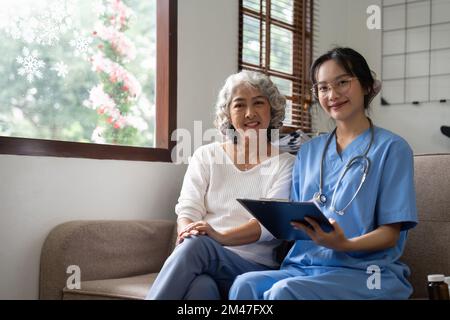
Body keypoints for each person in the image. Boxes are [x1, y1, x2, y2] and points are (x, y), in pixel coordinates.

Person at [229, 47, 418, 300]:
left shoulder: (392, 149)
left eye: (342, 82)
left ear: (366, 85)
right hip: (305, 267)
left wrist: (345, 245)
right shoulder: (308, 152)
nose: (332, 94)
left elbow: (390, 233)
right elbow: (297, 220)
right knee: (244, 285)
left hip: (365, 273)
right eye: (323, 87)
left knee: (284, 293)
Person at [145, 70, 295, 300]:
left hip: (253, 267)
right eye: (239, 105)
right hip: (205, 259)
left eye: (258, 103)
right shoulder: (206, 156)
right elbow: (188, 210)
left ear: (271, 109)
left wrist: (217, 236)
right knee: (202, 289)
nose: (249, 113)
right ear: (228, 113)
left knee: (198, 245)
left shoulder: (286, 164)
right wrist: (188, 231)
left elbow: (267, 225)